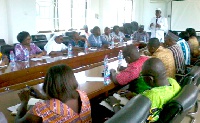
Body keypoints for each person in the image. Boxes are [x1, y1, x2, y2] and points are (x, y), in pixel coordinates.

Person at [106, 58, 181, 122]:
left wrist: (115, 103)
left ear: (150, 79)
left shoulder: (149, 96)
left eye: (142, 75)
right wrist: (134, 96)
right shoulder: (173, 82)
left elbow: (126, 120)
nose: (141, 76)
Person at [15, 64, 92, 123]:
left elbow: (18, 122)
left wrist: (24, 102)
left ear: (48, 84)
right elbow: (60, 105)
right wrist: (42, 97)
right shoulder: (83, 95)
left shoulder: (42, 109)